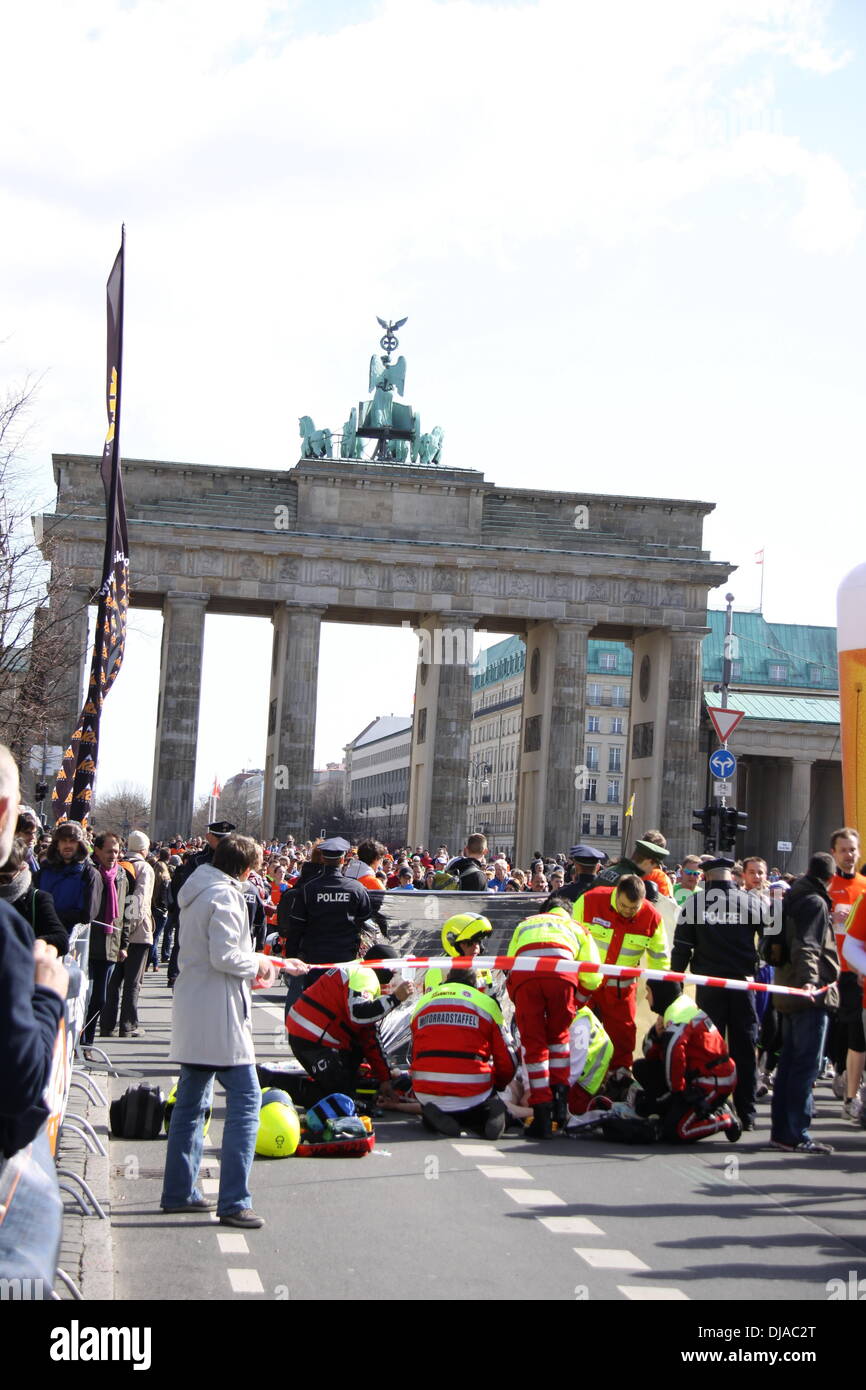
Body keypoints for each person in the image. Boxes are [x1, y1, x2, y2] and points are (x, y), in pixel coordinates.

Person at [160, 833, 306, 1228]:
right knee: (245, 1103)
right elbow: (225, 956)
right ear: (243, 868)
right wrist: (261, 965)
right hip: (219, 1011)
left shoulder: (199, 889)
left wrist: (264, 960)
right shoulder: (225, 897)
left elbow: (220, 953)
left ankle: (179, 1190)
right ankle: (234, 1201)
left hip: (197, 1005)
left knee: (191, 1105)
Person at [671, 856, 766, 1132]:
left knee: (709, 1049)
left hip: (709, 985)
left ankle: (711, 1107)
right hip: (743, 985)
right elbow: (771, 940)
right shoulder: (751, 902)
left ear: (707, 877)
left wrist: (675, 987)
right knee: (745, 1047)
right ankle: (747, 1112)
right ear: (731, 876)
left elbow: (681, 949)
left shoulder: (695, 904)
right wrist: (757, 964)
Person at [506, 896, 603, 1138]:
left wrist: (519, 997)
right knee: (559, 1040)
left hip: (526, 978)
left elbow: (509, 966)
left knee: (534, 1047)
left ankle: (541, 1113)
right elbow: (593, 975)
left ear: (545, 911)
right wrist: (576, 1003)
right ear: (568, 913)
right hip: (562, 978)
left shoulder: (525, 924)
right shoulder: (578, 928)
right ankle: (560, 1105)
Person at [770, 852, 840, 1154]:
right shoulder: (815, 902)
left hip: (787, 988)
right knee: (805, 1066)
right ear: (829, 878)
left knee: (789, 1063)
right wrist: (811, 983)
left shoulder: (791, 898)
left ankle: (782, 1130)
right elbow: (808, 945)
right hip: (808, 994)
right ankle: (796, 1133)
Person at [572, 874, 669, 1081]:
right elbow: (570, 936)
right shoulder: (590, 901)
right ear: (616, 893)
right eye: (623, 905)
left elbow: (660, 961)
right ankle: (575, 1075)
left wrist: (662, 999)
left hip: (620, 989)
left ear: (642, 901)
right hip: (585, 984)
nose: (627, 911)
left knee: (623, 1037)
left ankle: (620, 1078)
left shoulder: (652, 918)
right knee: (575, 1030)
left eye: (633, 908)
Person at [286, 942, 411, 1102]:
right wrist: (395, 999)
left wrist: (384, 1077)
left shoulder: (358, 967)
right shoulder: (365, 975)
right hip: (311, 1036)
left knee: (350, 1081)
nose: (392, 977)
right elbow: (358, 1014)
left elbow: (368, 1034)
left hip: (310, 1031)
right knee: (341, 1097)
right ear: (382, 967)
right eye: (392, 972)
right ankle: (279, 1086)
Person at [410, 966, 517, 1138]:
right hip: (474, 1092)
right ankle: (494, 1114)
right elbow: (508, 1061)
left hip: (426, 1091)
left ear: (446, 980)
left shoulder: (423, 1003)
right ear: (475, 983)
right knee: (485, 1107)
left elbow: (416, 1051)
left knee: (432, 1109)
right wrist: (499, 1085)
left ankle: (434, 1118)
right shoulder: (486, 1003)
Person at [633, 980, 741, 1143]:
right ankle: (680, 1108)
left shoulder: (678, 1015)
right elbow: (650, 1054)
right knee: (641, 1068)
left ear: (660, 993)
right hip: (695, 1076)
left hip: (714, 1080)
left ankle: (724, 1118)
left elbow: (674, 1057)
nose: (646, 997)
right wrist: (656, 1034)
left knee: (677, 1131)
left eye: (648, 991)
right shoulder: (675, 1008)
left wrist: (678, 1092)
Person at [166, 820, 237, 986]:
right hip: (197, 911)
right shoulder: (198, 860)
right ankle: (176, 975)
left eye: (226, 839)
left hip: (223, 910)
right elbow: (186, 889)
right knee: (184, 943)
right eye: (219, 838)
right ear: (209, 837)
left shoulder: (234, 860)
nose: (223, 843)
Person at [826, 828, 866, 1121]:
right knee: (836, 1029)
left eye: (853, 850)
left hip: (856, 973)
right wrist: (829, 915)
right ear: (834, 854)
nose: (849, 855)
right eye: (844, 850)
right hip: (831, 969)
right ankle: (840, 1074)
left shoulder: (864, 886)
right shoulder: (826, 885)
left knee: (856, 1033)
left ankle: (852, 1091)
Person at [83, 832, 133, 1054]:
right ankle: (80, 1040)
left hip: (110, 945)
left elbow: (124, 912)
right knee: (85, 996)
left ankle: (87, 1043)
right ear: (97, 851)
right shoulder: (88, 872)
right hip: (87, 944)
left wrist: (124, 943)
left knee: (100, 999)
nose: (114, 855)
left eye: (117, 851)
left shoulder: (122, 875)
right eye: (109, 851)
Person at [102, 831, 155, 1038]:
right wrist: (131, 929)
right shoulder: (144, 868)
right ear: (144, 848)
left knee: (113, 981)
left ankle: (107, 1024)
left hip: (115, 931)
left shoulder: (119, 865)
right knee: (133, 981)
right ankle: (128, 1024)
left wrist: (120, 931)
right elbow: (140, 902)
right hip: (138, 933)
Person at [0, 837, 68, 955]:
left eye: (4, 878)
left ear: (21, 869)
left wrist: (35, 944)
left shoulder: (37, 899)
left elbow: (61, 940)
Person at [35, 821, 101, 938]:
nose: (68, 845)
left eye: (72, 841)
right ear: (57, 844)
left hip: (71, 941)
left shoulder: (89, 874)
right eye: (63, 841)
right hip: (41, 936)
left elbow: (87, 914)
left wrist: (53, 917)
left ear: (79, 844)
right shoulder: (44, 871)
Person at [595, 837, 669, 903]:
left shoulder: (612, 869)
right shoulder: (631, 881)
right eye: (653, 866)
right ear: (647, 862)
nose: (651, 871)